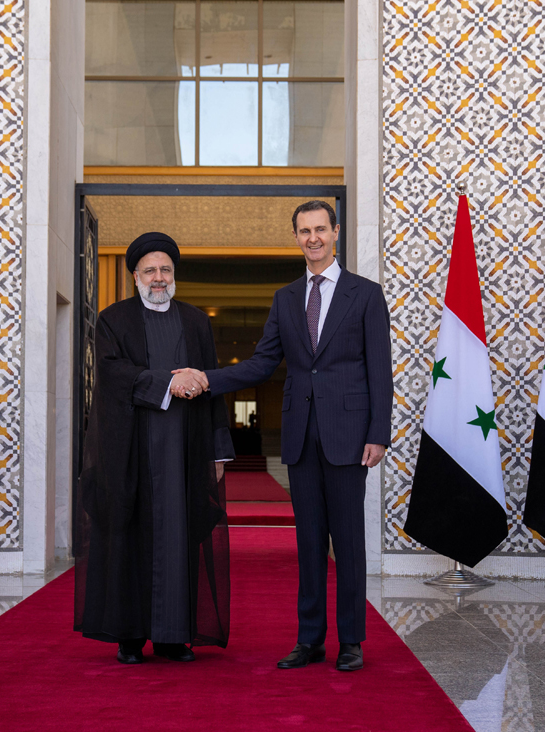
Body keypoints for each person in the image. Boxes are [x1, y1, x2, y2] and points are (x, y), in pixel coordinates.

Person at [174, 201, 391, 672]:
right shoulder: (285, 297)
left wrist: (379, 433)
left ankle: (351, 641)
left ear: (335, 232)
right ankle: (309, 640)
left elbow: (380, 368)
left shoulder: (366, 294)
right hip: (300, 437)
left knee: (348, 542)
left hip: (349, 436)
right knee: (308, 543)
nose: (313, 238)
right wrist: (207, 378)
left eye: (320, 229)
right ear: (295, 237)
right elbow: (261, 364)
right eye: (304, 231)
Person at [74, 232, 234, 665]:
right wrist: (168, 383)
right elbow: (111, 374)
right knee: (130, 537)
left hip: (185, 451)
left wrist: (218, 451)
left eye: (165, 270)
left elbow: (213, 386)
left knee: (180, 536)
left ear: (174, 274)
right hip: (131, 452)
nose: (158, 278)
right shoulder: (113, 320)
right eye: (150, 271)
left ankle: (172, 637)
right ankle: (130, 636)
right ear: (135, 277)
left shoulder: (196, 321)